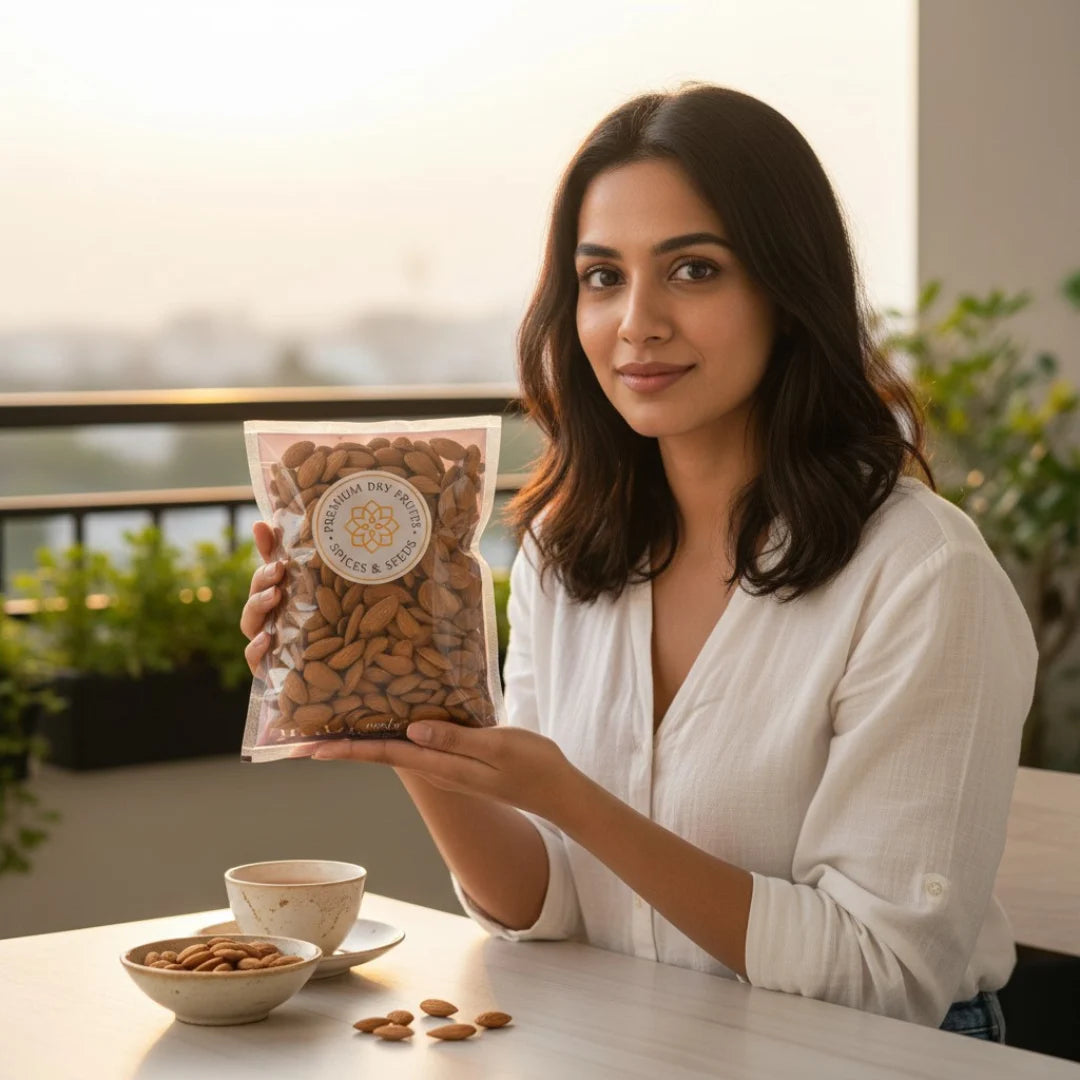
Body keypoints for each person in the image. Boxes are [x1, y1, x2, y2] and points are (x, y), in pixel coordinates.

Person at [239, 83, 1035, 1044]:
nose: (636, 322)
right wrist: (412, 737)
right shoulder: (564, 553)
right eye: (603, 277)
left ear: (787, 292)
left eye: (694, 271)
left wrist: (567, 796)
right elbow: (548, 905)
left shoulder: (920, 574)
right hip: (633, 1034)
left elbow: (879, 977)